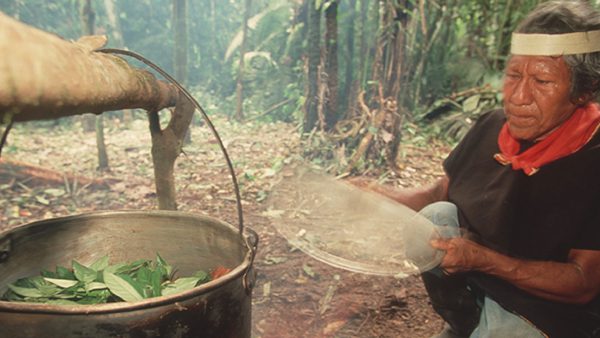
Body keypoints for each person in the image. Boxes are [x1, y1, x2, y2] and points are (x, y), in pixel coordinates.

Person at [352, 1, 600, 337]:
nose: (518, 96)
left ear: (582, 92)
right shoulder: (493, 125)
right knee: (436, 216)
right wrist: (379, 197)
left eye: (542, 81)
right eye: (513, 75)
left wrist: (482, 260)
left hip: (551, 317)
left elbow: (583, 283)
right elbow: (441, 192)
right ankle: (468, 322)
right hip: (483, 288)